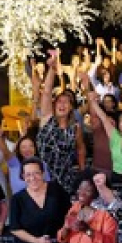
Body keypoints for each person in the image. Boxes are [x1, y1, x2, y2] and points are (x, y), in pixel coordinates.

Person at [8, 158, 71, 243]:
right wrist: (37, 242)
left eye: (36, 173)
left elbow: (71, 212)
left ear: (43, 173)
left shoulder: (55, 189)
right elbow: (15, 228)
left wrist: (65, 228)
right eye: (28, 175)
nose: (33, 178)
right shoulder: (17, 199)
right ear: (23, 177)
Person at [34, 54, 86, 195]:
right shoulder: (47, 119)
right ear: (54, 105)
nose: (62, 104)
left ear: (71, 107)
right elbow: (46, 92)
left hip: (66, 179)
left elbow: (81, 149)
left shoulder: (75, 128)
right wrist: (52, 68)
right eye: (59, 101)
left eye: (66, 102)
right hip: (44, 177)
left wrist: (82, 173)